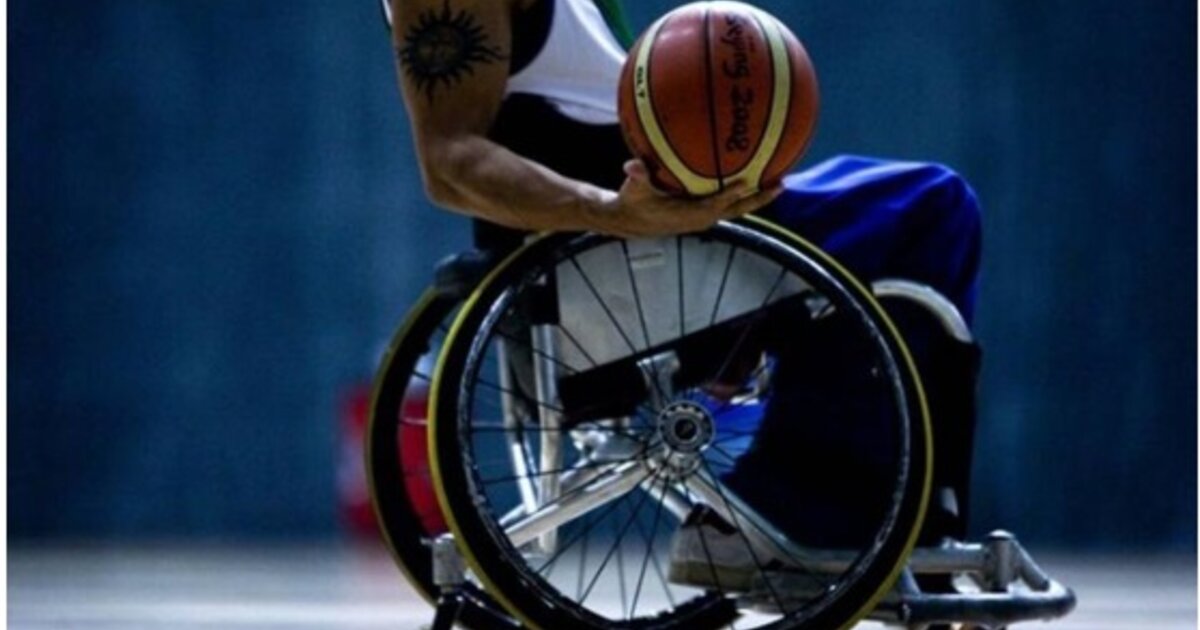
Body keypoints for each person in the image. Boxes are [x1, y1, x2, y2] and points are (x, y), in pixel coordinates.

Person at [383, 0, 981, 591]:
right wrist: (613, 212)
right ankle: (792, 508)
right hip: (641, 258)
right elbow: (450, 161)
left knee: (890, 197)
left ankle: (834, 501)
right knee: (929, 207)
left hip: (659, 248)